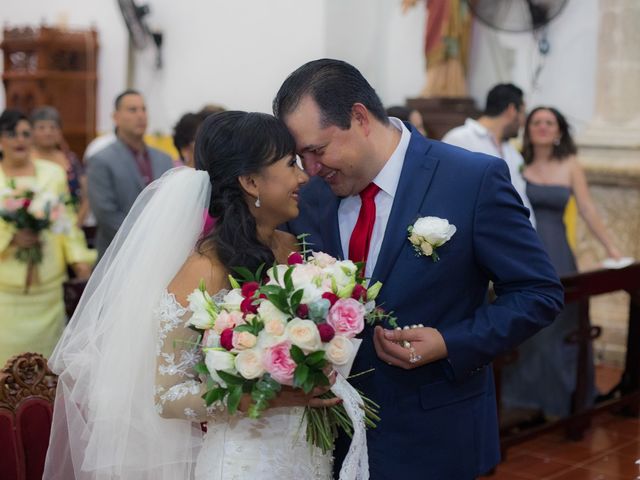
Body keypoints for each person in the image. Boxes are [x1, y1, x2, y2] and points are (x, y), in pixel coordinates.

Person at [273, 59, 563, 478]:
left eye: (317, 151)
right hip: (325, 441)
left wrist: (450, 341)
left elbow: (538, 292)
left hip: (434, 436)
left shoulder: (470, 179)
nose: (311, 169)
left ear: (359, 117)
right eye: (301, 157)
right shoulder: (311, 196)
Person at [44, 112, 342, 479]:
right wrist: (272, 398)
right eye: (290, 164)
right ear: (251, 182)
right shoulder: (205, 269)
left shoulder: (294, 246)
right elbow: (168, 397)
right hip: (244, 462)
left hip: (306, 453)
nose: (303, 176)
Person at [501, 106, 622, 419]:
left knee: (561, 325)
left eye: (549, 123)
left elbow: (587, 209)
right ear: (528, 129)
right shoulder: (517, 162)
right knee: (529, 330)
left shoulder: (570, 165)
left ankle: (563, 399)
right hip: (524, 249)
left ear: (558, 131)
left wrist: (611, 247)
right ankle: (525, 401)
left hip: (557, 253)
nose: (542, 127)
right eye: (536, 122)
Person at [0, 110, 95, 366]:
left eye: (25, 133)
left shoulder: (53, 173)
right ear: (0, 141)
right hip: (6, 293)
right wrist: (11, 234)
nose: (20, 139)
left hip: (47, 290)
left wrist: (79, 260)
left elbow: (67, 222)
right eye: (11, 134)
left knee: (44, 368)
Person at [86, 89, 173, 258]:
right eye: (132, 110)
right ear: (116, 117)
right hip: (119, 255)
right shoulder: (101, 160)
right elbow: (106, 214)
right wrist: (145, 240)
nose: (140, 115)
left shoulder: (163, 159)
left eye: (143, 109)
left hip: (162, 254)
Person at [442, 83, 535, 227]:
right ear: (511, 110)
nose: (523, 122)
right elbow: (447, 191)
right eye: (523, 113)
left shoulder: (512, 151)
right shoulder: (459, 138)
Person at [30, 106, 90, 226]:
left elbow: (86, 195)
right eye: (41, 128)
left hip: (69, 225)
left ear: (60, 132)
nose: (48, 132)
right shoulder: (25, 160)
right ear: (31, 132)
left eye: (53, 127)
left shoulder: (70, 159)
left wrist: (76, 224)